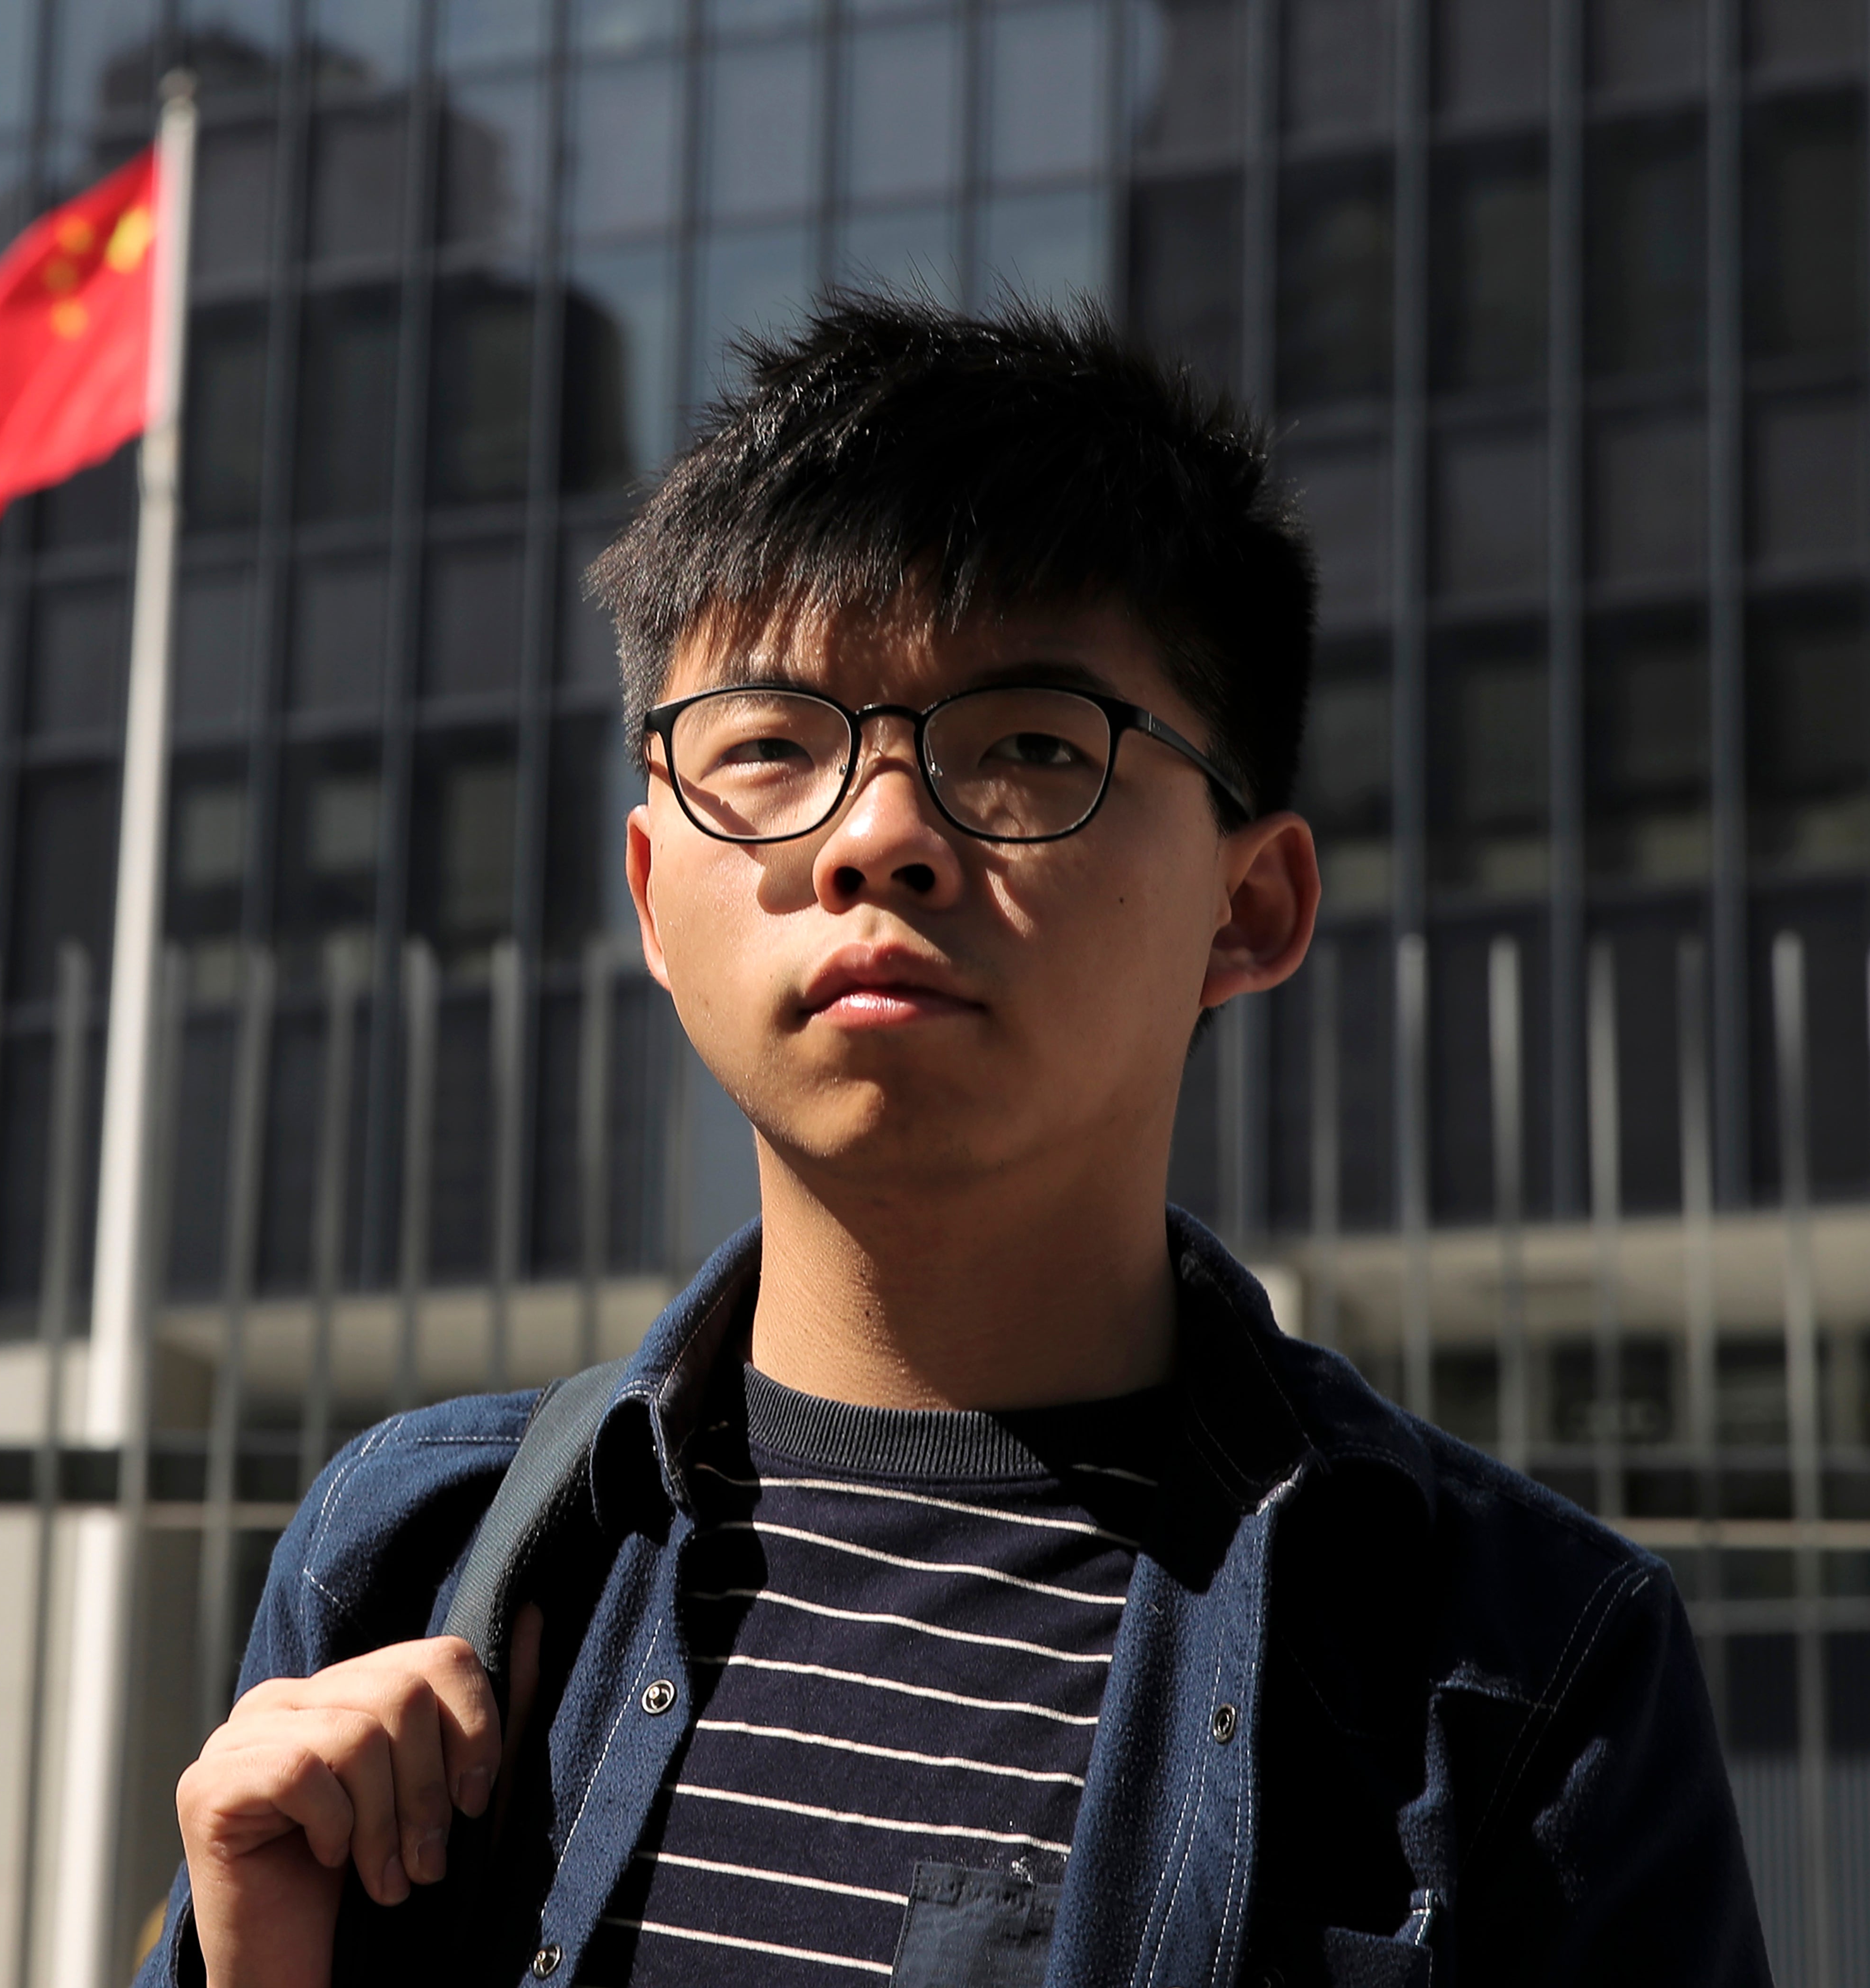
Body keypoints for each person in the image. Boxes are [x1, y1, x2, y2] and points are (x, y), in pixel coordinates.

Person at [142, 296, 1769, 1988]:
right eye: (768, 747)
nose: (879, 835)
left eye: (1032, 748)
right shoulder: (422, 1554)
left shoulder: (1514, 1667)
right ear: (650, 891)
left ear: (1250, 903)